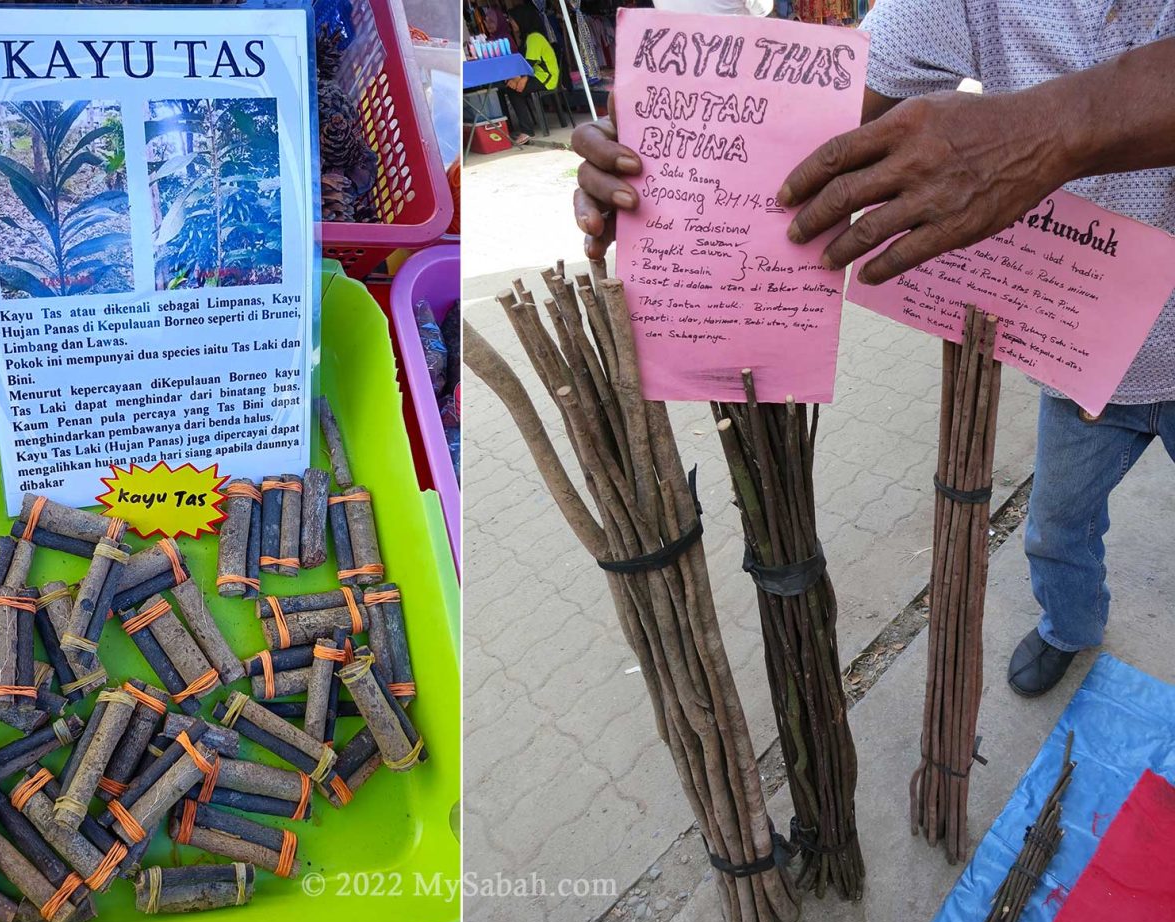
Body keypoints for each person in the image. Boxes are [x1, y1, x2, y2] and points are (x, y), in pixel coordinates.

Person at [571, 4, 1175, 698]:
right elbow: (818, 118)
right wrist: (670, 158)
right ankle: (1071, 627)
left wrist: (1046, 132)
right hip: (1086, 369)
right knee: (1057, 529)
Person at [503, 4, 561, 146]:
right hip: (537, 75)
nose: (510, 23)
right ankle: (524, 128)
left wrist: (519, 79)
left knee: (513, 90)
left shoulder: (534, 38)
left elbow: (529, 64)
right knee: (510, 86)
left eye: (512, 20)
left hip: (546, 78)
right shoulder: (528, 38)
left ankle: (527, 130)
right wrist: (517, 79)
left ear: (522, 20)